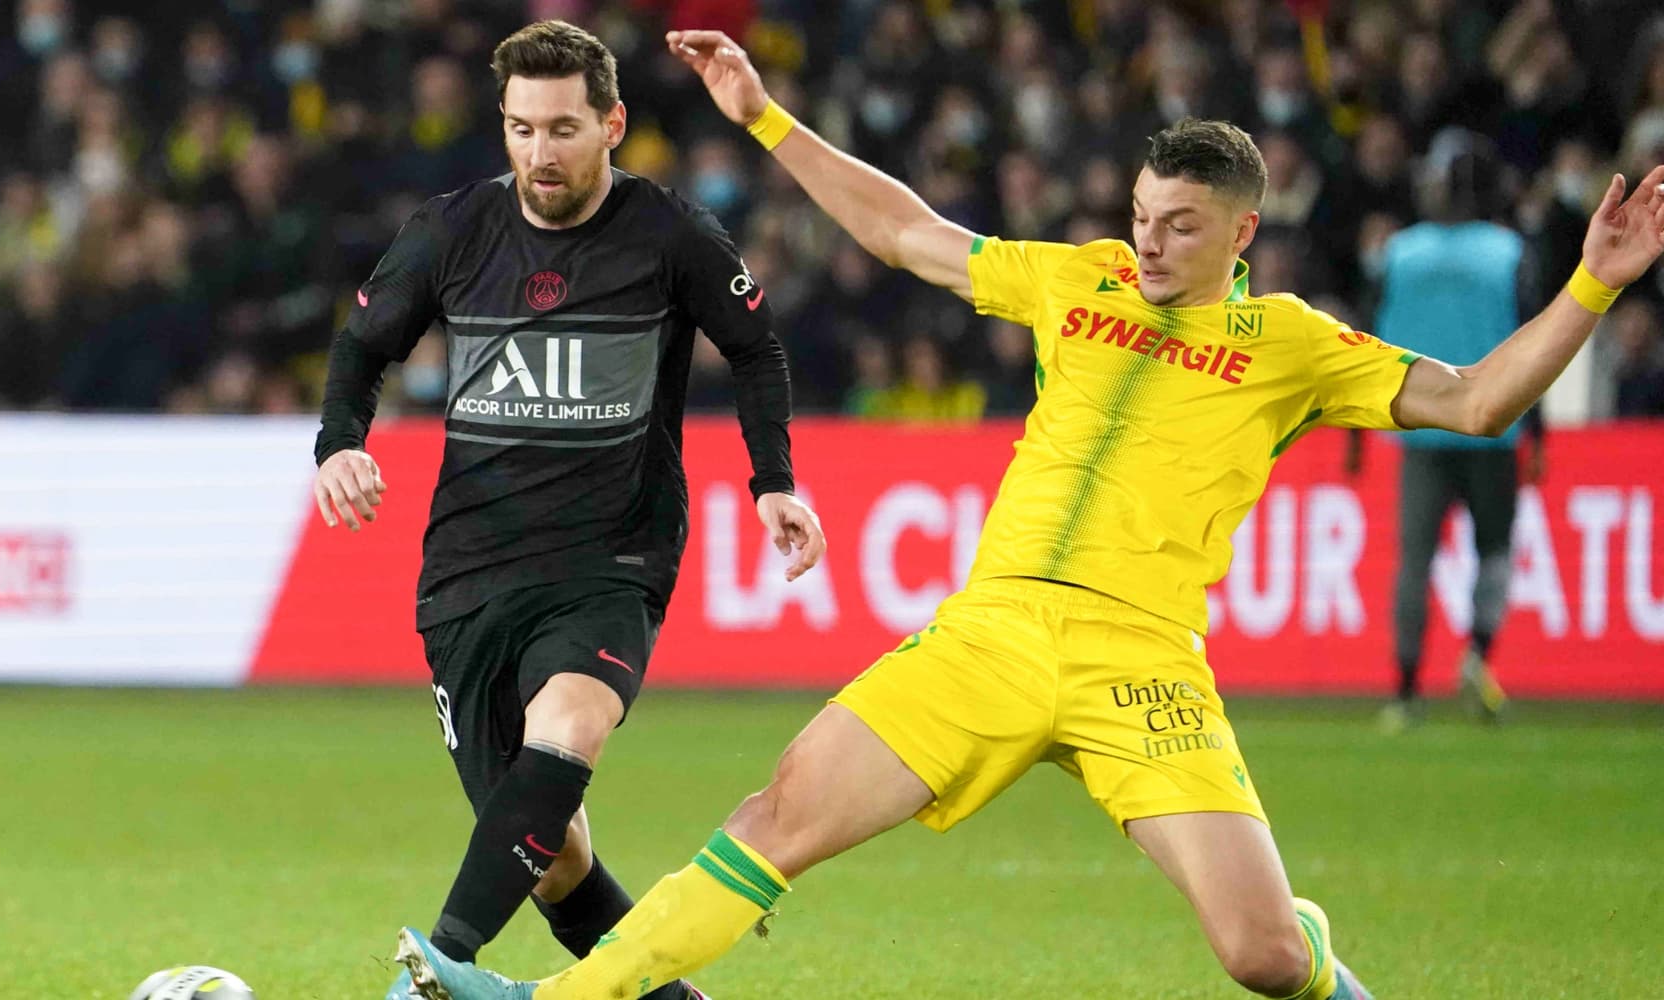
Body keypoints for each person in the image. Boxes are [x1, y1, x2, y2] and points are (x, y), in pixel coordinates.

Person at [389, 29, 1664, 1000]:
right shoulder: (1078, 282)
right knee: (775, 815)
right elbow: (907, 234)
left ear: (1241, 233)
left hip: (1140, 661)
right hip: (989, 635)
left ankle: (1316, 955)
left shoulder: (1290, 343)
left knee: (1263, 959)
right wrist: (767, 116)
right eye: (1139, 218)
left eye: (1178, 227)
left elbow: (1478, 398)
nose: (1149, 244)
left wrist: (1589, 290)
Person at [309, 21, 826, 1000]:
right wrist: (339, 442)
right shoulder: (453, 228)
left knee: (570, 731)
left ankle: (440, 960)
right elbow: (361, 346)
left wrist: (772, 481)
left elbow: (754, 350)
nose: (537, 154)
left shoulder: (668, 234)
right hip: (466, 573)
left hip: (608, 563)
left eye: (558, 129)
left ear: (611, 124)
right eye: (518, 130)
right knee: (549, 856)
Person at [1351, 129, 1546, 731]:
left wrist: (1356, 432)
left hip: (1420, 430)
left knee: (1414, 561)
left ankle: (1405, 692)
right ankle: (1479, 656)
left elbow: (1359, 339)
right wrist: (1540, 431)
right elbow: (1535, 345)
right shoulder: (1508, 252)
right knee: (1493, 553)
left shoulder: (1398, 253)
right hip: (1494, 427)